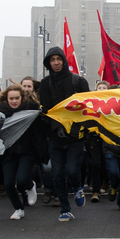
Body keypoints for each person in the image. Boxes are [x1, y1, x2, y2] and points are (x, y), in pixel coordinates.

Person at [38, 47, 90, 221]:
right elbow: (46, 111)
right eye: (52, 60)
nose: (56, 63)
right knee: (57, 174)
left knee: (72, 171)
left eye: (58, 59)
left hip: (75, 136)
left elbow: (87, 109)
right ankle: (65, 209)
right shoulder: (45, 84)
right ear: (48, 63)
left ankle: (77, 188)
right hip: (55, 137)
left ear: (64, 60)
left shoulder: (78, 82)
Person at [0, 84, 42, 220]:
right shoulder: (1, 112)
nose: (14, 101)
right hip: (9, 151)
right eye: (11, 98)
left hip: (27, 150)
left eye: (17, 98)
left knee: (22, 179)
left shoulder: (31, 110)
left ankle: (30, 185)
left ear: (22, 98)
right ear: (6, 99)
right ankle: (18, 208)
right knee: (9, 183)